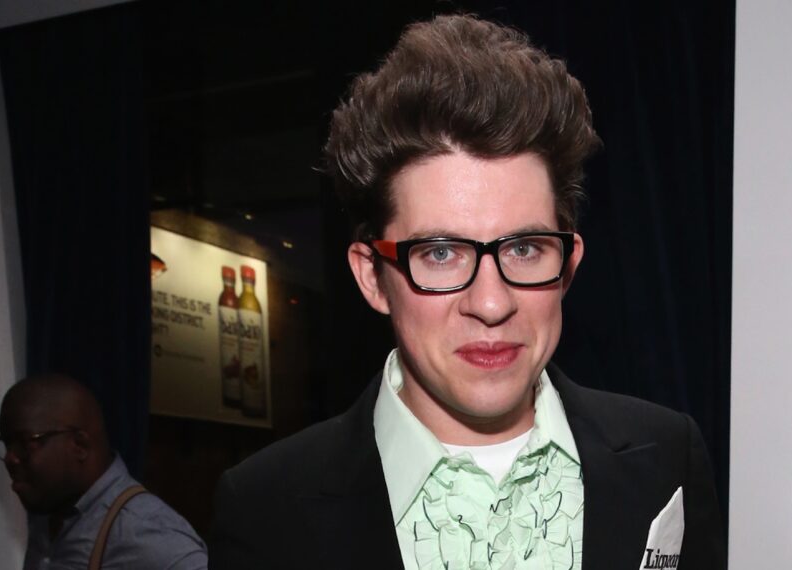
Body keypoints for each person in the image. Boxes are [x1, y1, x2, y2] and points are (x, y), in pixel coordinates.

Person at [211, 14, 725, 570]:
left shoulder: (667, 454)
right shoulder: (267, 509)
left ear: (568, 264)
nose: (491, 302)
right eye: (439, 253)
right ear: (371, 277)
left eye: (525, 249)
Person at [0, 374, 207, 569]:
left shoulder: (147, 535)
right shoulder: (47, 517)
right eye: (7, 444)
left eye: (25, 443)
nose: (11, 458)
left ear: (80, 446)